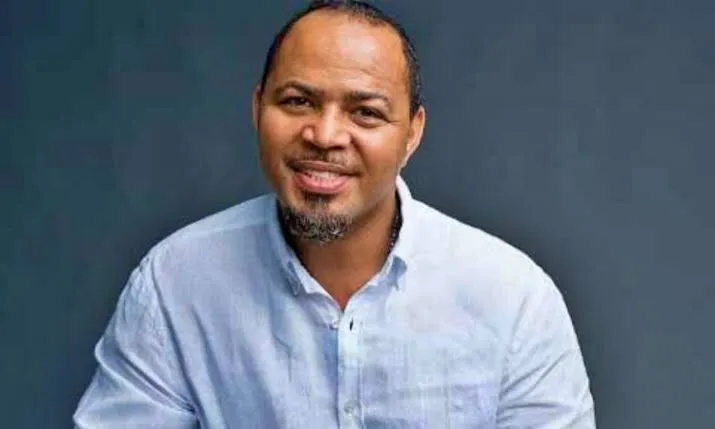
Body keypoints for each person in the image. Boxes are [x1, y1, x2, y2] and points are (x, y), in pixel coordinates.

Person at [73, 1, 596, 427]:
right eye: (297, 101)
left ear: (412, 134)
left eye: (365, 112)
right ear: (257, 109)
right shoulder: (176, 283)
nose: (324, 136)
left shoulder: (512, 298)